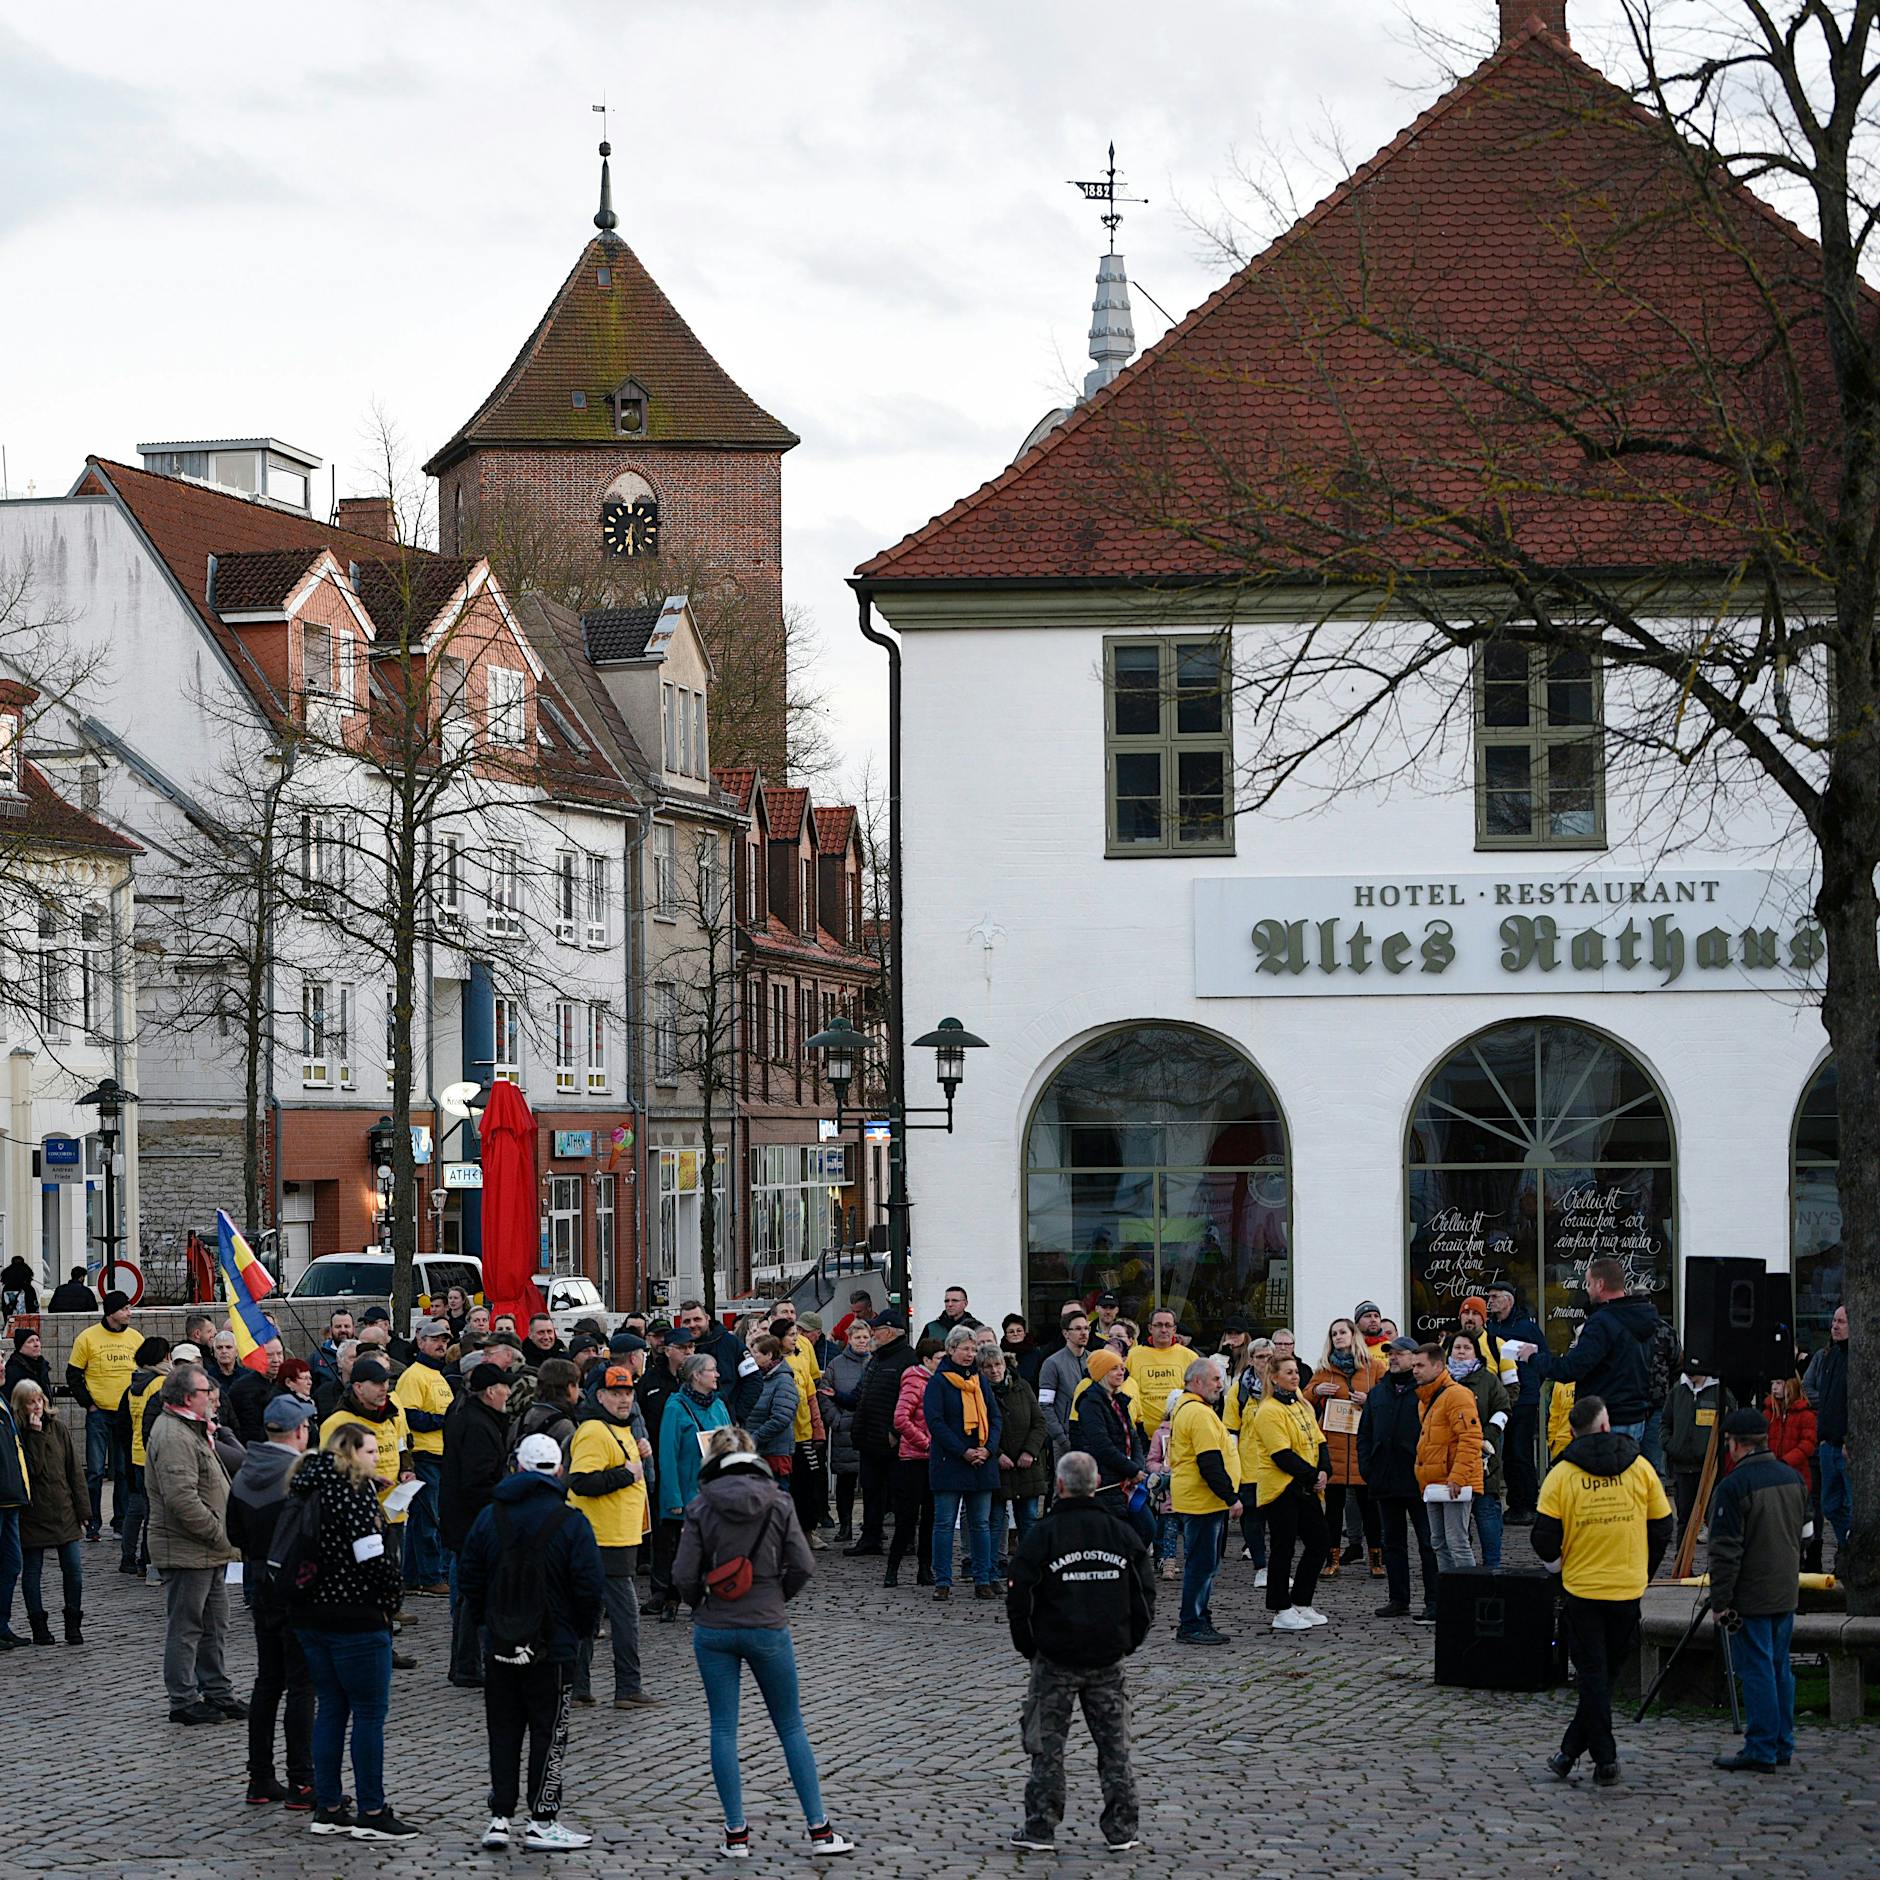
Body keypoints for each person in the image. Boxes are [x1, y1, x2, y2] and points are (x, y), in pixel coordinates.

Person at [673, 1426, 856, 1860]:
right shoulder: (778, 1500)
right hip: (767, 1622)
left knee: (723, 1728)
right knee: (791, 1725)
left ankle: (736, 1834)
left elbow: (682, 1574)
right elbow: (804, 1565)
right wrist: (775, 1596)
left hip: (715, 1627)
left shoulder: (701, 1506)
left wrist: (701, 1600)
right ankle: (819, 1830)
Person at [458, 1432, 604, 1851]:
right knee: (550, 1732)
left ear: (517, 1467)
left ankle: (500, 1816)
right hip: (554, 1646)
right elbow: (589, 1586)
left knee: (502, 1731)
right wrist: (579, 1630)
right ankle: (542, 1818)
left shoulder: (490, 1516)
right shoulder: (571, 1521)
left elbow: (469, 1577)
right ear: (559, 1471)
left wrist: (490, 1621)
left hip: (502, 1642)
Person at [1006, 1450, 1153, 1854]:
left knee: (1046, 1748)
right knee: (1115, 1747)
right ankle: (1122, 1828)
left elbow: (1019, 1598)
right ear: (1095, 1484)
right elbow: (1145, 1594)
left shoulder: (1042, 1535)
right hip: (1106, 1658)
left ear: (1060, 1485)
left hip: (1056, 1659)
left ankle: (1041, 1826)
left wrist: (1031, 1647)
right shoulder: (1120, 1533)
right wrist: (1127, 1640)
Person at [1533, 1395, 1673, 1785]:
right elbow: (1662, 1526)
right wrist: (1643, 1568)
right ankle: (1574, 1752)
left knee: (1594, 1674)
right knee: (1605, 1674)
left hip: (1582, 1587)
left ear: (1573, 1432)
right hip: (1627, 1586)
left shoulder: (1560, 1475)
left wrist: (1559, 1570)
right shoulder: (1641, 1467)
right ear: (1607, 1426)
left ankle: (1596, 1756)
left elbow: (1544, 1537)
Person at [289, 1423, 417, 1840]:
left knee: (331, 1709)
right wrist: (393, 1595)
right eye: (368, 1452)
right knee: (367, 1714)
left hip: (311, 1613)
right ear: (350, 1454)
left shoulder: (309, 1485)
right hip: (356, 1615)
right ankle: (373, 1810)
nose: (375, 1458)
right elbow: (371, 1555)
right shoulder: (353, 1493)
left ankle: (327, 1806)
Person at [1706, 1406, 1809, 1772]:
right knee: (1780, 1668)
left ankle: (1762, 1746)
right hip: (1785, 1587)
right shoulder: (1791, 1478)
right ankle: (1782, 1742)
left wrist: (1721, 1601)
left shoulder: (1734, 1486)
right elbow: (1806, 1532)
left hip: (1751, 1593)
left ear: (1734, 1444)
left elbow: (1725, 1550)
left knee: (1757, 1669)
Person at [226, 1395, 316, 1808]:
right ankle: (303, 1782)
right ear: (300, 1430)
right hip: (298, 1588)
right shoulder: (300, 1474)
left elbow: (234, 1533)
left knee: (267, 1682)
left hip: (261, 1583)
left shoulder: (246, 1470)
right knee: (301, 1686)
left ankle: (260, 1776)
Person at [145, 1363, 244, 1723]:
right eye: (206, 1393)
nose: (213, 1399)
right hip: (188, 1549)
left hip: (209, 1550)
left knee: (215, 1624)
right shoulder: (173, 1434)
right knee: (186, 1627)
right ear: (188, 1397)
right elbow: (182, 1500)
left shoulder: (194, 1428)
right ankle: (183, 1699)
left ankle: (217, 1691)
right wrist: (221, 1533)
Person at [569, 1365, 654, 1710]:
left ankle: (579, 1688)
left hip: (617, 1537)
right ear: (599, 1396)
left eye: (628, 1393)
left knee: (589, 1616)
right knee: (624, 1617)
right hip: (601, 1539)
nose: (623, 1400)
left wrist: (637, 1454)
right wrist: (626, 1473)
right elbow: (582, 1481)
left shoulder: (617, 1429)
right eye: (616, 1394)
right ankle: (627, 1688)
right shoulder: (593, 1431)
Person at [1505, 1257, 1660, 1443]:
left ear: (1600, 1284)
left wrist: (1533, 1357)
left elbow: (1572, 1368)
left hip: (1605, 1419)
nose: (1586, 1289)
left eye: (1588, 1283)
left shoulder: (1603, 1322)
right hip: (1636, 1416)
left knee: (1599, 1471)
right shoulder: (1642, 1317)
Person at [440, 1360, 517, 1686]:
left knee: (471, 1595)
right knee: (473, 1596)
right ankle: (468, 1665)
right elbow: (477, 1483)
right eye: (504, 1388)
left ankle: (466, 1664)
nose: (509, 1393)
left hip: (468, 1520)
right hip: (473, 1523)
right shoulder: (478, 1425)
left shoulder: (475, 1417)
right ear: (490, 1392)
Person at [1357, 1336, 1440, 1620]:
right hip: (1386, 1479)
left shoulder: (1427, 1391)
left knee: (1429, 1543)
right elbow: (1365, 1434)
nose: (1393, 1358)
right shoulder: (1378, 1393)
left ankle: (1434, 1600)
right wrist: (1368, 1468)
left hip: (1419, 1479)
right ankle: (1398, 1598)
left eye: (1399, 1354)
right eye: (1390, 1354)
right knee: (1392, 1543)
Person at [1246, 1353, 1330, 1633]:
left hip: (1306, 1485)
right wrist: (1311, 1476)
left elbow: (1319, 1440)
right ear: (1274, 1377)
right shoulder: (1268, 1410)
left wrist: (1323, 1470)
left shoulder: (1302, 1403)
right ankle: (1280, 1608)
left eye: (1296, 1372)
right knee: (1283, 1548)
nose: (1295, 1376)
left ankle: (1302, 1602)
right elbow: (1281, 1454)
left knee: (1320, 1542)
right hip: (1281, 1488)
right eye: (1289, 1372)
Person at [1165, 1357, 1241, 1645]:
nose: (1220, 1386)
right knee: (1201, 1565)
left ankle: (1200, 1618)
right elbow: (1209, 1462)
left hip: (1203, 1500)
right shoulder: (1197, 1413)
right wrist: (1230, 1497)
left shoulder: (1195, 1409)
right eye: (1215, 1380)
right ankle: (1192, 1623)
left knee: (1205, 1564)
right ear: (1196, 1382)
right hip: (1203, 1502)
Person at [926, 1324, 1003, 1600]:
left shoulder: (979, 1380)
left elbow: (995, 1418)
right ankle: (943, 1581)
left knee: (981, 1523)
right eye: (965, 1349)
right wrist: (963, 1451)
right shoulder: (939, 1381)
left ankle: (983, 1578)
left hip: (981, 1460)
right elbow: (935, 1422)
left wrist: (988, 1449)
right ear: (951, 1350)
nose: (971, 1354)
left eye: (973, 1349)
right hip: (951, 1460)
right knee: (945, 1523)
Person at [653, 1353, 733, 1619]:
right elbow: (667, 1454)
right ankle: (672, 1600)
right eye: (712, 1370)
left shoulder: (719, 1405)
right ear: (697, 1375)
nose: (717, 1375)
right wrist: (673, 1498)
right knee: (682, 1551)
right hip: (687, 1490)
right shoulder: (675, 1407)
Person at [1307, 1317, 1384, 1578]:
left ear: (1353, 1335)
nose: (1339, 1336)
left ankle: (1376, 1558)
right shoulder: (1325, 1369)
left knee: (1370, 1508)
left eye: (1343, 1332)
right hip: (1335, 1445)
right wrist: (1317, 1389)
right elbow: (1304, 1397)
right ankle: (1332, 1558)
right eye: (1334, 1333)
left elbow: (1387, 1396)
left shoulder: (1373, 1367)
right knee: (1334, 1508)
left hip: (1363, 1445)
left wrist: (1369, 1398)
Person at [12, 1378, 86, 1644]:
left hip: (64, 1510)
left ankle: (73, 1622)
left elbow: (74, 1471)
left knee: (74, 1570)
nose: (37, 1406)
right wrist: (34, 1435)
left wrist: (83, 1509)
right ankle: (38, 1624)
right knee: (33, 1570)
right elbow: (33, 1470)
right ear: (21, 1406)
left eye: (40, 1400)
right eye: (31, 1402)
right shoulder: (19, 1432)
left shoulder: (59, 1429)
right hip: (34, 1514)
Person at [66, 1287, 140, 1542]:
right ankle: (93, 1522)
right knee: (96, 1471)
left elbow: (141, 1373)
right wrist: (89, 1404)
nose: (129, 1312)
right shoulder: (87, 1338)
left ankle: (119, 1521)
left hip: (124, 1416)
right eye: (124, 1308)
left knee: (122, 1470)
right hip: (98, 1414)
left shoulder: (135, 1338)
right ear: (111, 1313)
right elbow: (73, 1375)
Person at [846, 1309, 919, 1558]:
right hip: (869, 1437)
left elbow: (911, 1401)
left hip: (893, 1439)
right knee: (871, 1489)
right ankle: (871, 1537)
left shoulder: (907, 1359)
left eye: (876, 1330)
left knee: (901, 1493)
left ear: (888, 1332)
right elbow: (862, 1394)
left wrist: (895, 1431)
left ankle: (905, 1539)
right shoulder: (877, 1359)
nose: (872, 1334)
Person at [1412, 1341, 1483, 1580]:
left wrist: (1458, 1477)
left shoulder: (1456, 1395)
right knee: (1439, 1542)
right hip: (1434, 1482)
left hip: (1453, 1482)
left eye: (1420, 1365)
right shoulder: (1426, 1398)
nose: (1415, 1370)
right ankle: (1452, 1597)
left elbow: (1471, 1438)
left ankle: (1468, 1599)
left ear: (1438, 1366)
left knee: (1457, 1542)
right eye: (1414, 1365)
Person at [1067, 1347, 1150, 1542]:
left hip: (1127, 1479)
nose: (1121, 1372)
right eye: (1114, 1368)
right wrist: (1131, 1470)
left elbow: (1133, 1436)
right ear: (1102, 1373)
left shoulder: (1118, 1400)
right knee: (1118, 1535)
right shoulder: (1090, 1403)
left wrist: (1137, 1467)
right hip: (1108, 1481)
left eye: (1122, 1367)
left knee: (1146, 1529)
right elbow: (1101, 1444)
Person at [1447, 1330, 1511, 1568]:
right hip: (1450, 1461)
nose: (1461, 1352)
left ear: (1476, 1352)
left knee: (1486, 1514)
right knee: (1456, 1522)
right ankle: (1462, 1568)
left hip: (1484, 1459)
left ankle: (1492, 1566)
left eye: (1466, 1348)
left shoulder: (1488, 1380)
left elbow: (1503, 1408)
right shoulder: (1442, 1380)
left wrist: (1487, 1439)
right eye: (1457, 1347)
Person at [1485, 1276, 1546, 1521]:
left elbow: (1541, 1358)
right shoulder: (1491, 1328)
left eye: (1494, 1297)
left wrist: (1530, 1387)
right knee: (1505, 1453)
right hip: (1499, 1399)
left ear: (1508, 1300)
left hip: (1524, 1399)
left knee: (1520, 1451)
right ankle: (1514, 1502)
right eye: (1488, 1297)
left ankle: (1527, 1503)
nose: (1490, 1301)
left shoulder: (1526, 1328)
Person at [984, 1347, 1048, 1564]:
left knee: (1028, 1518)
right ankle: (994, 1564)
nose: (994, 1371)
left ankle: (1030, 1565)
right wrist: (997, 1454)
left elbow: (1039, 1422)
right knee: (996, 1519)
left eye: (998, 1365)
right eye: (988, 1366)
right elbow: (980, 1431)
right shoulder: (981, 1392)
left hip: (1026, 1464)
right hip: (998, 1465)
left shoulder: (1022, 1387)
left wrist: (1030, 1451)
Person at [887, 1339, 941, 1588]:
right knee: (907, 1519)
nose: (943, 1362)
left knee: (931, 1518)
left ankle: (924, 1568)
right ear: (927, 1360)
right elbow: (901, 1419)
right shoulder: (914, 1380)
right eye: (939, 1358)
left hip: (933, 1460)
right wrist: (926, 1442)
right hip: (912, 1460)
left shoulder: (940, 1382)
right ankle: (893, 1569)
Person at [1662, 1363, 1734, 1546]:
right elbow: (1665, 1422)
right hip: (1683, 1466)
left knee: (1715, 1516)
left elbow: (1731, 1425)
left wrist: (1719, 1450)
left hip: (1709, 1467)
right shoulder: (1677, 1392)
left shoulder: (1720, 1393)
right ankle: (1682, 1562)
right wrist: (1671, 1445)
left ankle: (1717, 1564)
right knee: (1685, 1517)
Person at [120, 1335, 173, 1581]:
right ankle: (148, 1562)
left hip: (136, 1452)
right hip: (154, 1453)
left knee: (141, 1509)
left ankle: (136, 1559)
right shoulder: (160, 1383)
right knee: (156, 1513)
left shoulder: (135, 1384)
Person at [1802, 1304, 1849, 1556]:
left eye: (1841, 1321)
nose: (1835, 1326)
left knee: (1850, 1504)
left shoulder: (1858, 1358)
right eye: (1834, 1321)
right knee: (1830, 1506)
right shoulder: (1826, 1356)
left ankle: (1849, 1550)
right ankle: (1848, 1545)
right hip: (1827, 1443)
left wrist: (1848, 1438)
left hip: (1846, 1446)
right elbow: (1809, 1388)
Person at [775, 1318, 827, 1543]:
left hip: (803, 1433)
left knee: (807, 1486)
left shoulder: (801, 1360)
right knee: (787, 1486)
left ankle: (808, 1531)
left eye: (796, 1334)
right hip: (781, 1436)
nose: (795, 1338)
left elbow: (811, 1397)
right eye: (790, 1335)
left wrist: (818, 1429)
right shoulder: (772, 1364)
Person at [822, 1317, 870, 1545]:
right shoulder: (836, 1364)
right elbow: (825, 1395)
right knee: (845, 1484)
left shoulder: (876, 1362)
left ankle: (872, 1526)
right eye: (857, 1337)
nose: (862, 1341)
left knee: (872, 1483)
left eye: (865, 1337)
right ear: (849, 1339)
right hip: (844, 1433)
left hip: (871, 1432)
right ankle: (846, 1525)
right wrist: (838, 1422)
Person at [1124, 1308, 1198, 1444]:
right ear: (1150, 1328)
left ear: (1174, 1329)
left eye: (1168, 1325)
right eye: (1158, 1325)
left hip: (1179, 1435)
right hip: (1142, 1437)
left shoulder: (1190, 1357)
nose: (1163, 1330)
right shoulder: (1133, 1356)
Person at [1037, 1310, 1090, 1460]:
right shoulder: (1052, 1363)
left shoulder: (1094, 1360)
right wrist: (1061, 1438)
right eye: (1078, 1329)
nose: (1084, 1333)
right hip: (1066, 1438)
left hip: (1092, 1435)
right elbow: (1045, 1405)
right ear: (1066, 1333)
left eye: (1086, 1328)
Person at [747, 1335, 801, 1480]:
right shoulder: (757, 1378)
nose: (752, 1357)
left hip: (774, 1455)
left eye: (756, 1353)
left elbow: (781, 1418)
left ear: (769, 1355)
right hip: (757, 1453)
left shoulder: (783, 1380)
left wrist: (754, 1438)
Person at [226, 1338, 284, 1446]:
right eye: (269, 1355)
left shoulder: (289, 1383)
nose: (276, 1360)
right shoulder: (240, 1389)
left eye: (279, 1354)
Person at [0, 1382, 23, 1648]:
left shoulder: (3, 1401)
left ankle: (2, 1623)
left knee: (11, 1564)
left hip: (11, 1499)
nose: (3, 1365)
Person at [5, 1327, 50, 1397]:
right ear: (20, 1348)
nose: (36, 1344)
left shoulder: (42, 1366)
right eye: (30, 1341)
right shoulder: (13, 1370)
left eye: (37, 1340)